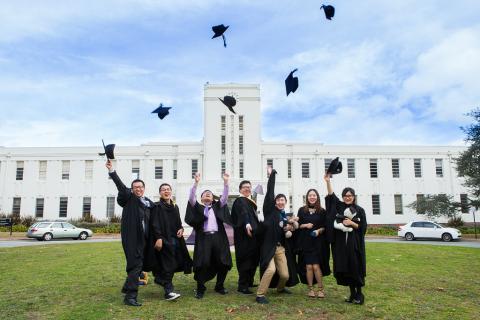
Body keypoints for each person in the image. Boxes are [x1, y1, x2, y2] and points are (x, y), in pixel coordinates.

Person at [106, 160, 154, 307]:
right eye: (135, 187)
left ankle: (127, 286)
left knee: (141, 265)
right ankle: (130, 296)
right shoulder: (129, 198)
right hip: (132, 239)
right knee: (135, 265)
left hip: (146, 239)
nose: (138, 189)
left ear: (144, 188)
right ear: (132, 189)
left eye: (140, 187)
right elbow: (121, 186)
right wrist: (112, 171)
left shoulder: (149, 203)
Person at [185, 172, 232, 299]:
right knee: (202, 263)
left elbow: (225, 197)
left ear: (213, 198)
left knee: (223, 262)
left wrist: (226, 182)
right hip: (203, 239)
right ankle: (200, 288)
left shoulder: (218, 206)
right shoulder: (198, 208)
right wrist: (196, 183)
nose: (207, 194)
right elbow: (191, 198)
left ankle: (219, 286)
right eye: (205, 194)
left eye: (210, 194)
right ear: (201, 198)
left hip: (218, 238)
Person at [256, 166, 298, 304]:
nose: (280, 202)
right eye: (278, 200)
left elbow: (286, 231)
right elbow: (270, 192)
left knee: (285, 275)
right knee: (271, 270)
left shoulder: (284, 216)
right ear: (275, 202)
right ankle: (260, 295)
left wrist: (289, 229)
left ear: (285, 203)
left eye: (283, 200)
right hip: (268, 247)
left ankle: (280, 288)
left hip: (280, 249)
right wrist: (272, 176)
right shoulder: (270, 211)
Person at [324, 174, 367, 305]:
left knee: (355, 268)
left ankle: (359, 295)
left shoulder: (360, 210)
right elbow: (331, 196)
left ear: (353, 197)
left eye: (350, 195)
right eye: (345, 196)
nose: (348, 197)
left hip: (355, 245)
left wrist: (352, 224)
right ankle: (352, 294)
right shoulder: (340, 207)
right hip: (342, 245)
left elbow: (363, 227)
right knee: (346, 269)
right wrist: (327, 181)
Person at [150, 183, 193, 301]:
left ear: (171, 192)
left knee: (172, 264)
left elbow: (178, 223)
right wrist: (158, 238)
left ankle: (160, 280)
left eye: (168, 189)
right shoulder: (156, 206)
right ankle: (168, 291)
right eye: (163, 190)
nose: (166, 191)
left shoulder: (175, 206)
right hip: (163, 240)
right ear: (160, 193)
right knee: (168, 264)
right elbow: (154, 223)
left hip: (175, 240)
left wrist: (181, 229)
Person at [296, 188, 331, 298]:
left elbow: (325, 227)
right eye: (310, 195)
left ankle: (321, 289)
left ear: (317, 197)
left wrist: (318, 231)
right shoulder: (302, 210)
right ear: (307, 197)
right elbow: (298, 225)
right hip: (305, 242)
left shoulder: (322, 211)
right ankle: (310, 289)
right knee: (308, 267)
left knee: (316, 266)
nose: (312, 197)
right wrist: (306, 225)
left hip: (318, 243)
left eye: (314, 195)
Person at [231, 178, 261, 294]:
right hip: (244, 237)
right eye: (245, 187)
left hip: (252, 237)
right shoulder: (240, 201)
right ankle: (242, 285)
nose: (247, 189)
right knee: (246, 259)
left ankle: (249, 281)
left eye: (249, 187)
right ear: (240, 190)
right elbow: (243, 214)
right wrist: (247, 224)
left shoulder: (250, 201)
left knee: (253, 259)